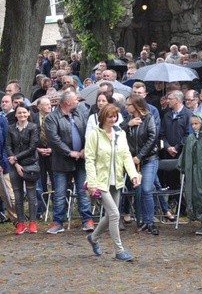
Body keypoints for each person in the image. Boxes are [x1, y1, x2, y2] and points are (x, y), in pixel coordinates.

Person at [84, 103, 141, 262]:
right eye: (110, 116)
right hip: (100, 181)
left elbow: (126, 155)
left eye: (115, 116)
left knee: (111, 215)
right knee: (115, 214)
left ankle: (93, 238)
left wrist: (133, 174)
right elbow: (89, 160)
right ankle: (119, 250)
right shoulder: (94, 135)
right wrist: (92, 183)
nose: (113, 119)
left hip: (116, 180)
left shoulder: (120, 134)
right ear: (103, 117)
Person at [46, 90, 94, 234]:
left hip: (81, 159)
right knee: (60, 193)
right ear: (67, 102)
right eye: (75, 100)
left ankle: (87, 220)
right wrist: (69, 152)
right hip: (62, 161)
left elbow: (88, 132)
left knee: (83, 190)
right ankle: (58, 222)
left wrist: (85, 149)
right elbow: (54, 139)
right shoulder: (52, 118)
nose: (77, 102)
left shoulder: (80, 113)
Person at [124, 94, 159, 234]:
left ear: (136, 106)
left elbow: (152, 137)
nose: (126, 107)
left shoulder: (148, 118)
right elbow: (117, 133)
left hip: (149, 159)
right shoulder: (127, 119)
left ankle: (149, 221)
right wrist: (128, 125)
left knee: (146, 189)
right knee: (138, 190)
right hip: (133, 160)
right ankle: (143, 220)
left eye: (128, 105)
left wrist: (140, 156)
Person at [7, 104, 40, 235]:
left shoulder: (33, 127)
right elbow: (8, 146)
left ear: (28, 114)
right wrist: (15, 162)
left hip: (29, 163)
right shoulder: (10, 128)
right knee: (17, 194)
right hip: (14, 165)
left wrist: (15, 157)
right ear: (15, 114)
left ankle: (32, 222)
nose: (22, 115)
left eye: (24, 113)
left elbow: (32, 147)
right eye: (19, 113)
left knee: (31, 194)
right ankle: (21, 223)